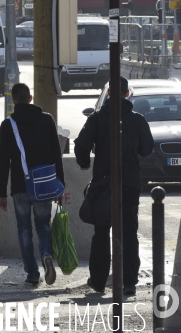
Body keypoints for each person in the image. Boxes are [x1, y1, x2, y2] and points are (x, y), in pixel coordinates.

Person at [74, 76, 154, 295]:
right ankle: (129, 282)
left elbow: (81, 145)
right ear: (127, 94)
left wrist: (84, 163)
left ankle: (98, 281)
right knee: (129, 231)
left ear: (108, 94)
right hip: (129, 183)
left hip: (103, 184)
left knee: (101, 231)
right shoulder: (137, 120)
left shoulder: (97, 118)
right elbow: (147, 148)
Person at [0, 83, 64, 286]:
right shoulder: (46, 120)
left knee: (24, 228)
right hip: (44, 185)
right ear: (31, 98)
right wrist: (60, 184)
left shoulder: (8, 125)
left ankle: (32, 274)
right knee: (43, 225)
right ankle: (46, 256)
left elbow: (3, 162)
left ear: (14, 100)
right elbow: (56, 155)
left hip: (20, 186)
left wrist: (1, 192)